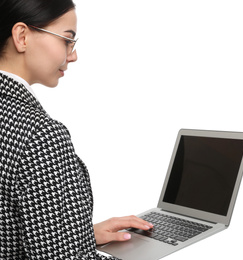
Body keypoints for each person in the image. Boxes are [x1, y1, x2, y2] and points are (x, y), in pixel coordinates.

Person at [0, 0, 153, 258]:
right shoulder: (41, 135)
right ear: (22, 36)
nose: (73, 55)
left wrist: (78, 234)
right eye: (66, 40)